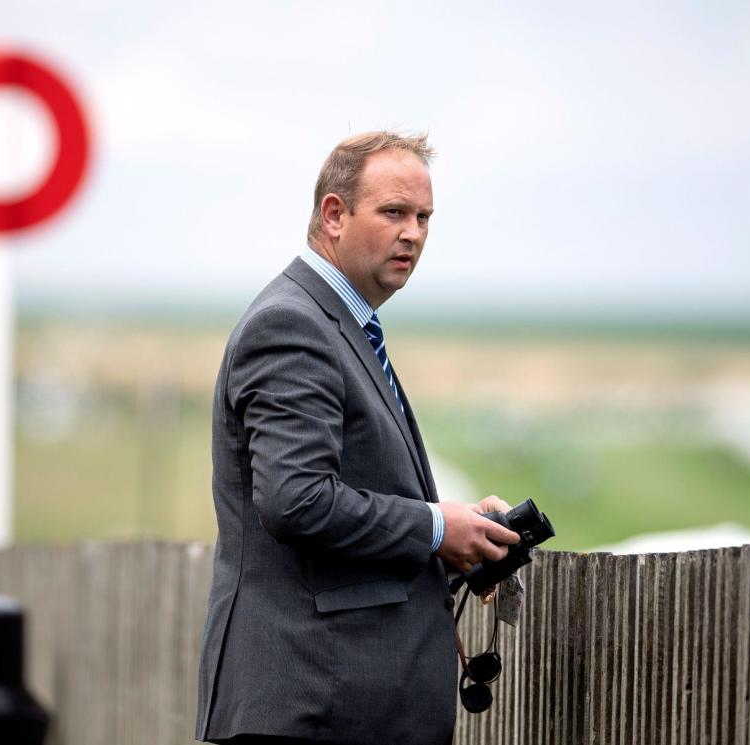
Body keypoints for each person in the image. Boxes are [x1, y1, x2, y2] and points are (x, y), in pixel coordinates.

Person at [196, 131, 520, 745]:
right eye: (394, 212)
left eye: (424, 217)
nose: (415, 234)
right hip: (314, 709)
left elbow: (354, 497)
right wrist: (433, 526)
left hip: (339, 708)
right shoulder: (293, 325)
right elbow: (297, 500)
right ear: (335, 215)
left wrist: (456, 534)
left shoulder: (339, 324)